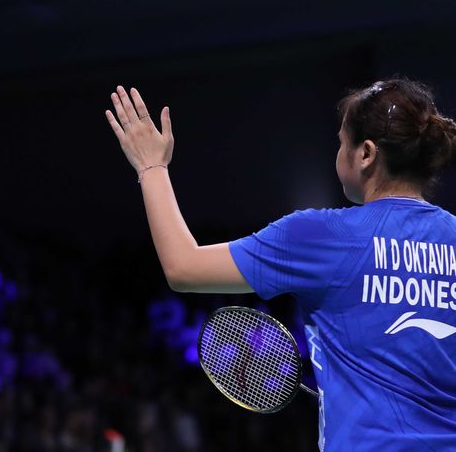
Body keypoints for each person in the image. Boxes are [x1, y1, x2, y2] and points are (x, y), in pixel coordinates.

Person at [105, 80, 456, 451]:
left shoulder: (321, 235)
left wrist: (151, 167)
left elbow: (183, 266)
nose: (338, 152)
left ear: (366, 154)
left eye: (341, 142)